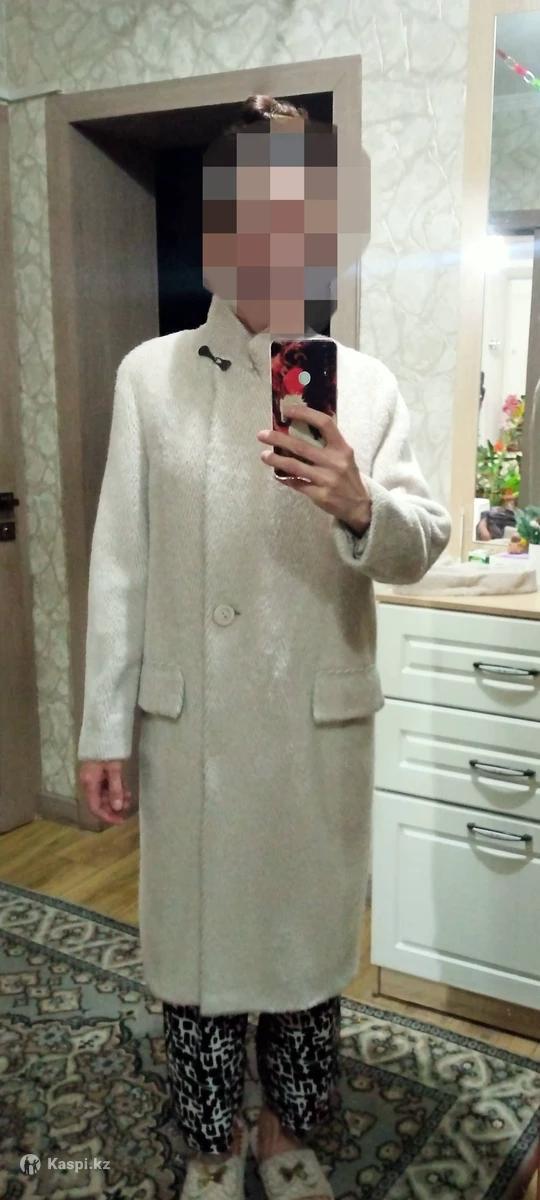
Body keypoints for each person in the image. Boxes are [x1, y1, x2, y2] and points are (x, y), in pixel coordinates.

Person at [77, 95, 451, 1200]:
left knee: (302, 949)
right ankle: (209, 1140)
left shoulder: (365, 385)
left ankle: (287, 1132)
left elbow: (421, 543)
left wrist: (359, 505)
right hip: (193, 726)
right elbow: (119, 564)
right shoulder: (148, 375)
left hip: (307, 726)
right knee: (196, 957)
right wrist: (104, 730)